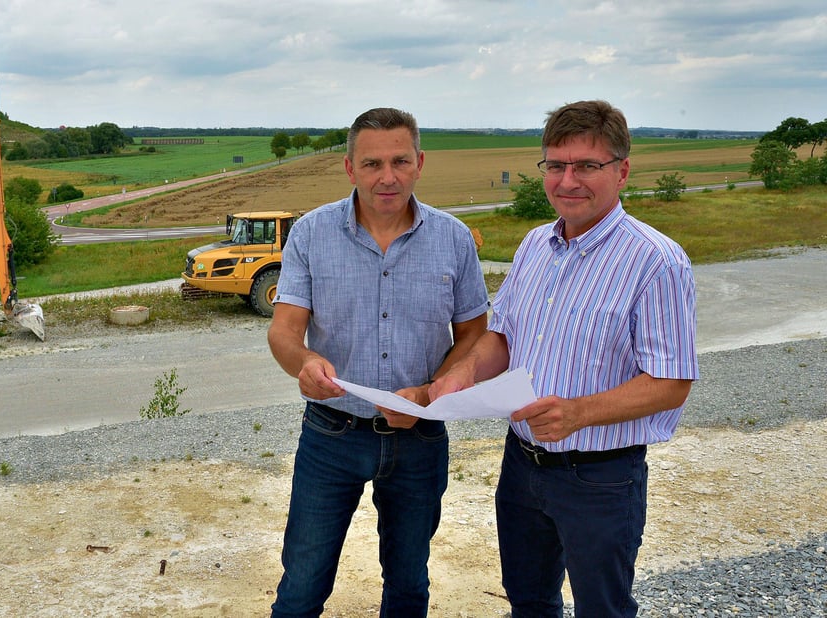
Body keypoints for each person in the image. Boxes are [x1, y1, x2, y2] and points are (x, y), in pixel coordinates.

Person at [429, 100, 699, 617]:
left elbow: (671, 382)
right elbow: (502, 335)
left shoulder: (655, 261)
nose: (568, 180)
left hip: (599, 478)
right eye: (556, 165)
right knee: (529, 600)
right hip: (522, 463)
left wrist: (578, 413)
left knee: (603, 608)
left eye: (586, 166)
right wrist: (461, 373)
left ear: (621, 171)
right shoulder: (535, 243)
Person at [267, 107, 491, 617]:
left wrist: (429, 393)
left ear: (419, 163)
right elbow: (283, 331)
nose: (386, 177)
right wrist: (302, 362)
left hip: (420, 437)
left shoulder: (454, 238)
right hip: (331, 435)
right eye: (371, 164)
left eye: (399, 161)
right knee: (301, 585)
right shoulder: (310, 233)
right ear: (349, 168)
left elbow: (474, 333)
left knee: (409, 584)